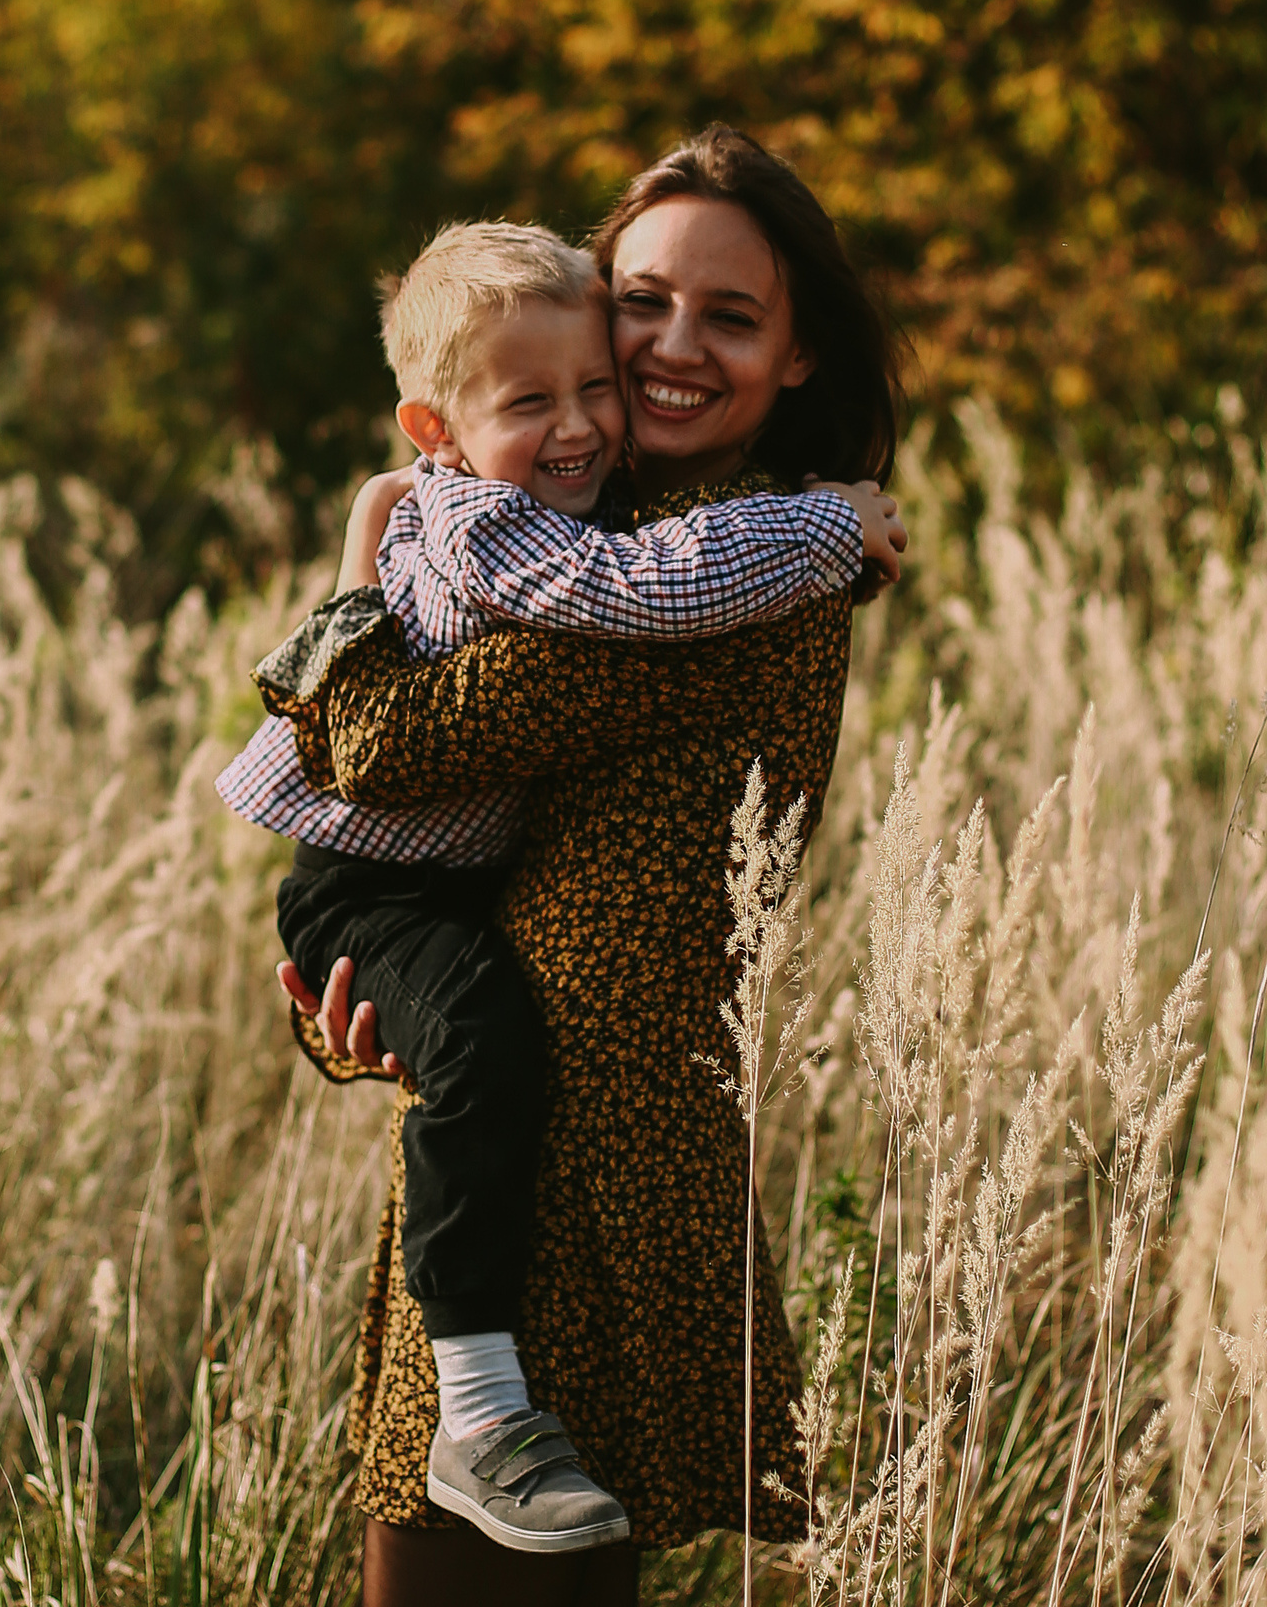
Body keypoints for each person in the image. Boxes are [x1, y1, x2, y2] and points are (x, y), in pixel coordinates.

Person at [268, 125, 906, 1604]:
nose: (672, 346)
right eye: (641, 301)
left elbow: (374, 745)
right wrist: (351, 1002)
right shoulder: (586, 525)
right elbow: (428, 842)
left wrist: (369, 558)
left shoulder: (747, 574)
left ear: (798, 357)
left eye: (731, 317)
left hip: (599, 1176)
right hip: (493, 1145)